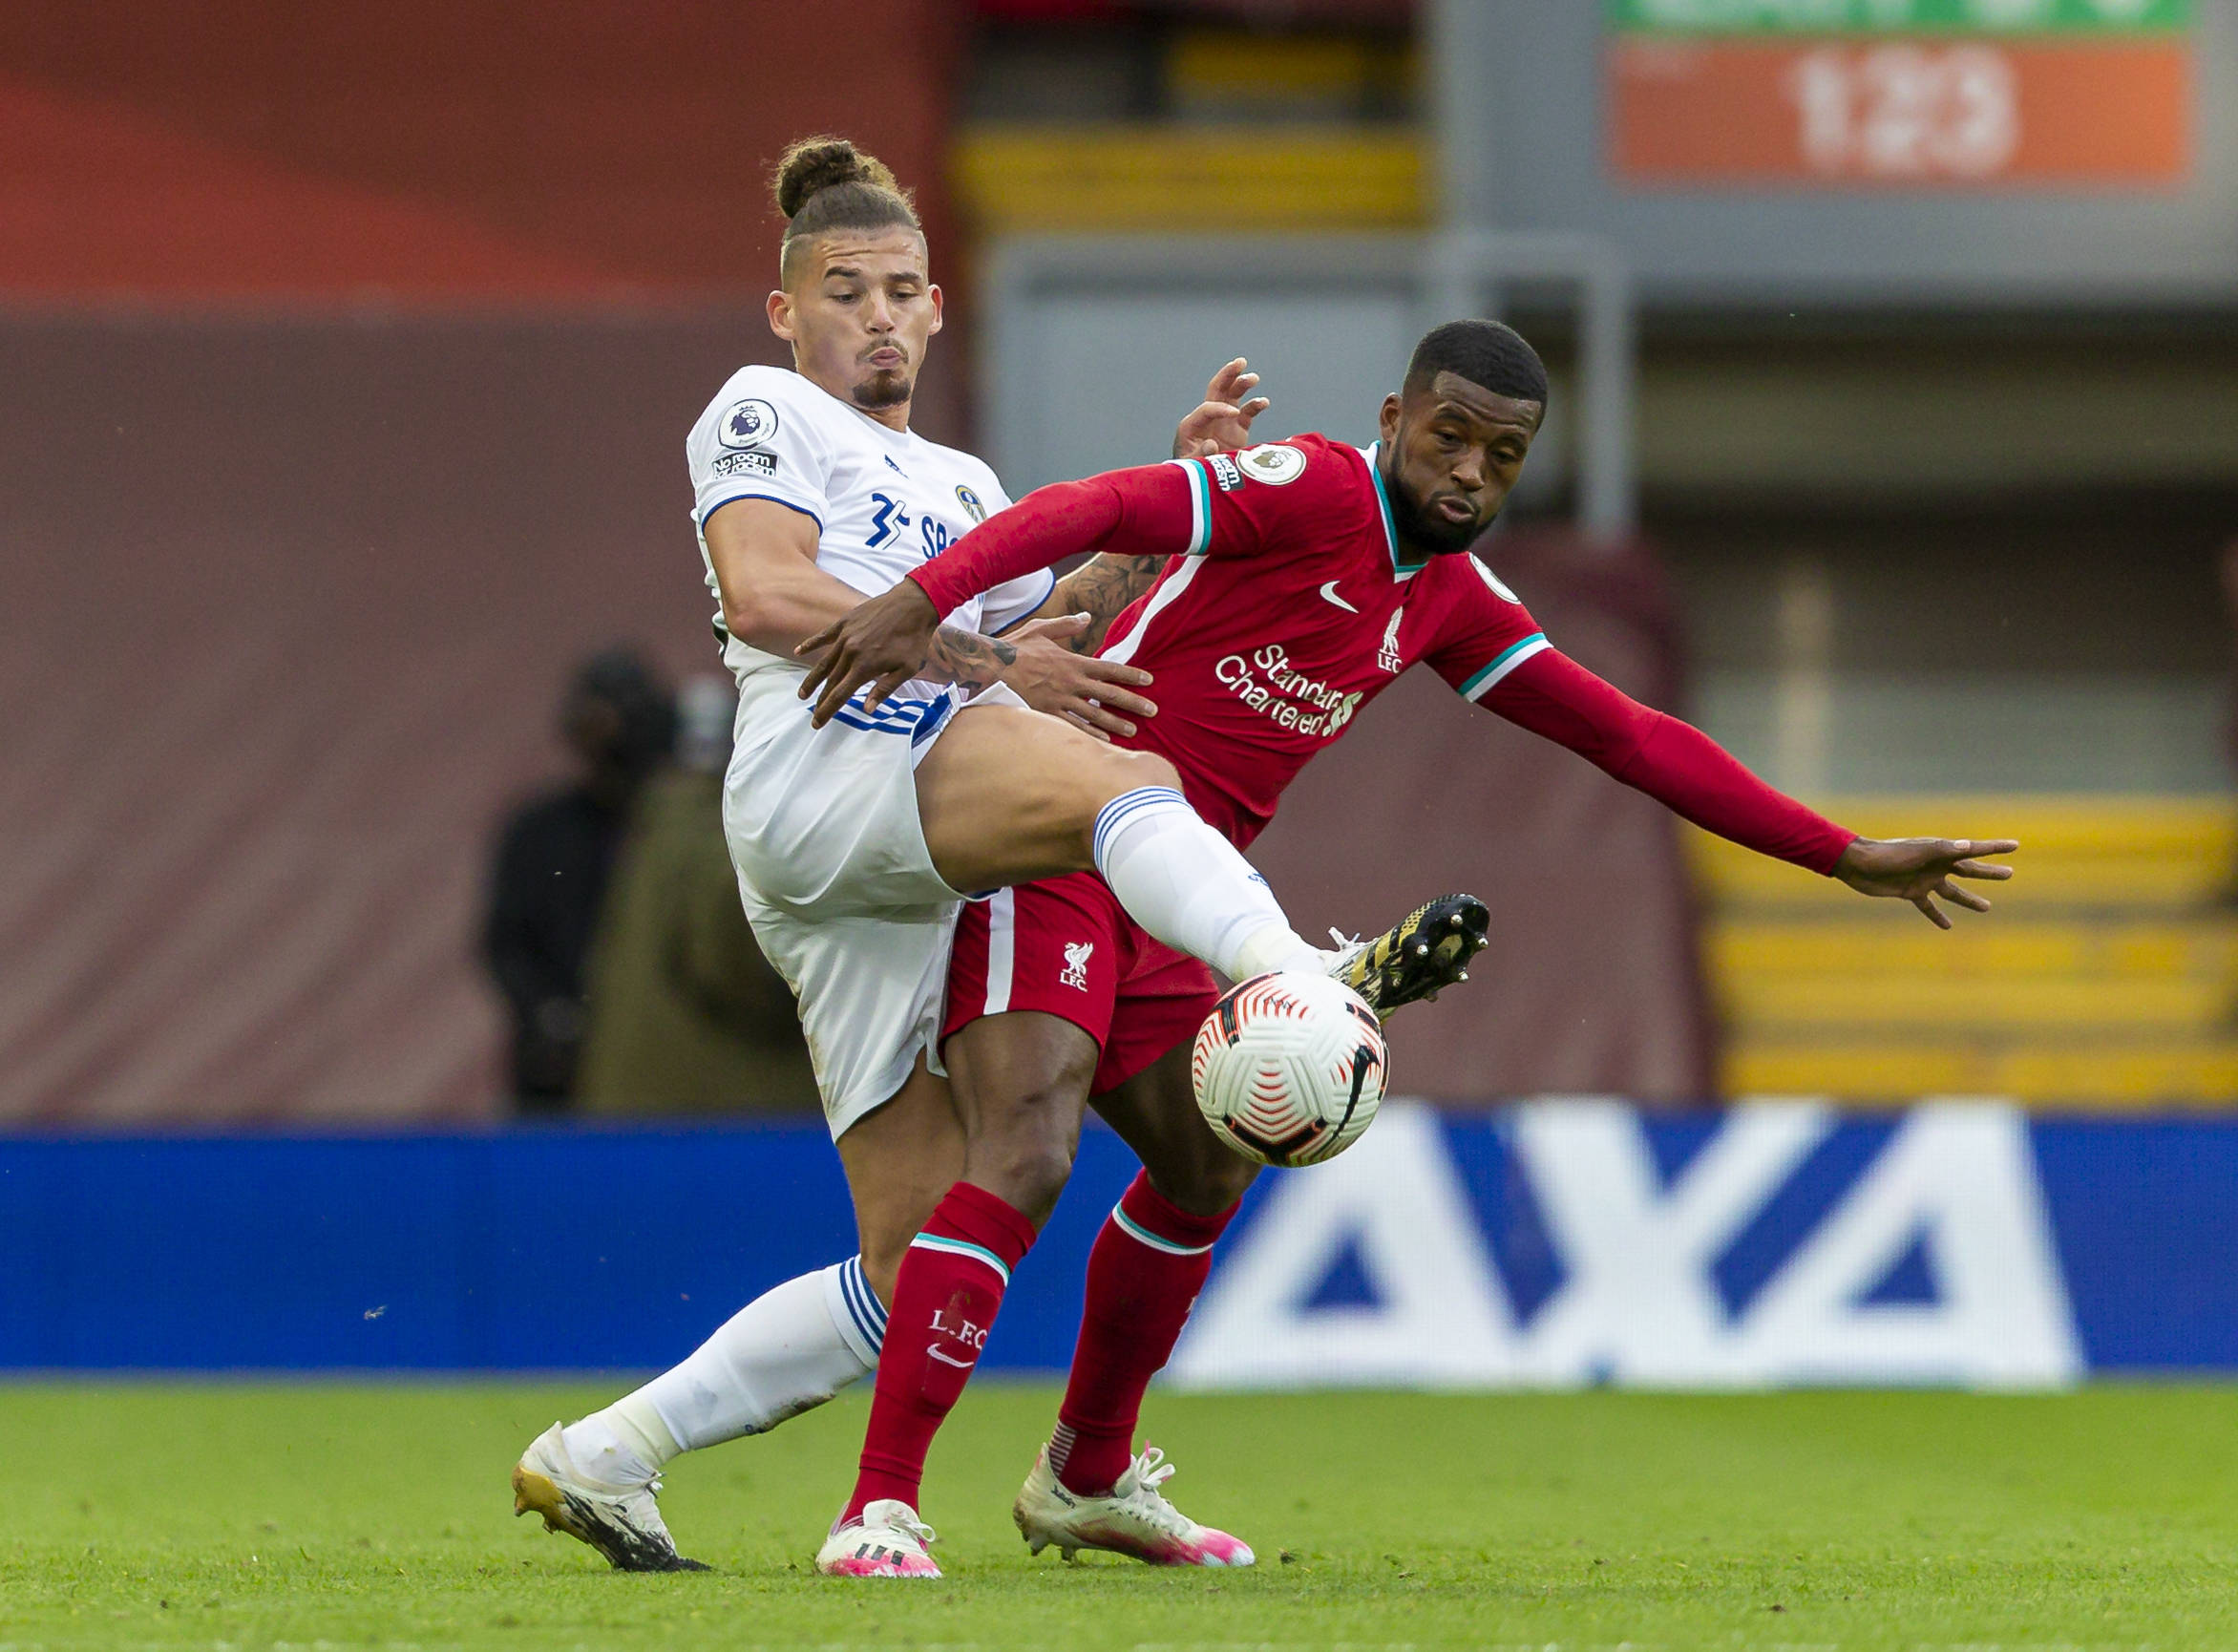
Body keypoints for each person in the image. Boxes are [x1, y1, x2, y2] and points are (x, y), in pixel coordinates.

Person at [795, 319, 2022, 1576]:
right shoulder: (1311, 490)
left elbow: (1629, 735)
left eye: (1503, 454)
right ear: (1395, 418)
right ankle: (878, 1505)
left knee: (1210, 1165)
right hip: (1060, 823)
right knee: (1031, 1142)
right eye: (1450, 436)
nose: (1471, 473)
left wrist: (1841, 851)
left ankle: (1087, 1476)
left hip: (1176, 889)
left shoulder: (1445, 596)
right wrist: (917, 604)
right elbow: (1096, 502)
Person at [511, 137, 1476, 1571]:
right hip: (827, 777)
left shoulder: (958, 479)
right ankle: (1295, 972)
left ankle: (603, 1455)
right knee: (1124, 781)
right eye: (848, 291)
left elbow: (1044, 640)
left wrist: (1162, 517)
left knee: (910, 1264)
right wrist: (974, 659)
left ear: (939, 307)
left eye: (905, 290)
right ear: (788, 310)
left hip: (906, 836)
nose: (880, 316)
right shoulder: (764, 408)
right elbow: (773, 590)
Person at [575, 676, 820, 1116]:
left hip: (642, 1110)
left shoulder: (660, 824)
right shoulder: (729, 836)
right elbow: (741, 969)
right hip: (734, 1120)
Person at [483, 648, 677, 1114]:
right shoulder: (540, 831)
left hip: (669, 1067)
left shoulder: (686, 833)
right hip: (561, 1074)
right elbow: (506, 943)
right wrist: (547, 1014)